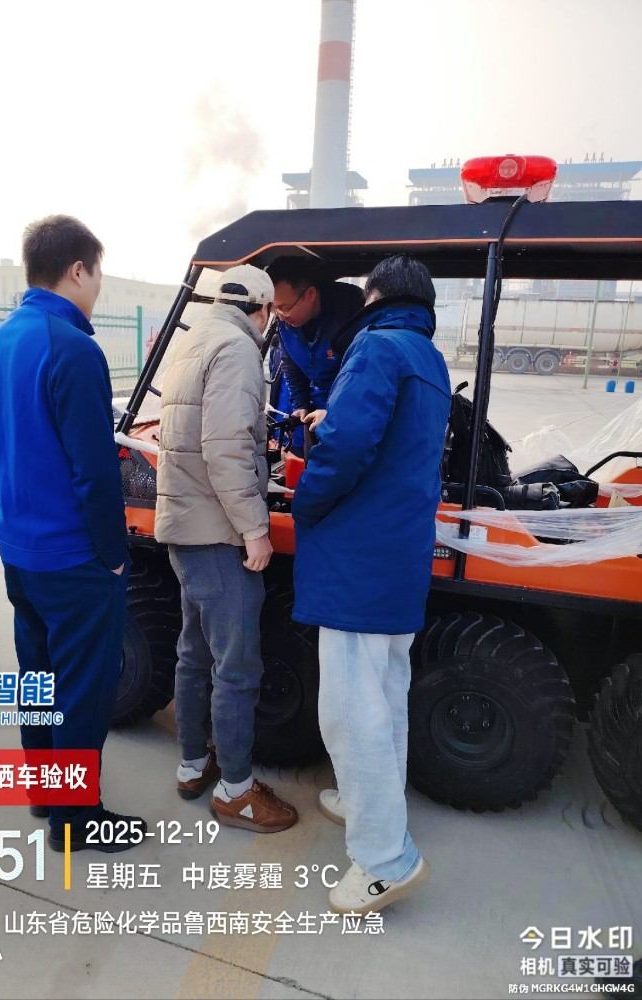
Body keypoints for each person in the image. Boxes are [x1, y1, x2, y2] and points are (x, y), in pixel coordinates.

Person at [0, 215, 143, 853]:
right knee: (82, 687)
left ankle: (45, 792)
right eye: (97, 273)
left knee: (39, 677)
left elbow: (3, 447)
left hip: (20, 549)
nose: (98, 286)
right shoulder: (72, 348)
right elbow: (95, 472)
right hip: (73, 556)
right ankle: (76, 819)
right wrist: (114, 555)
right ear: (78, 269)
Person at [291, 255, 451, 914]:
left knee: (351, 710)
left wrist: (305, 502)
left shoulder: (376, 347)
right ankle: (367, 803)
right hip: (398, 556)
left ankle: (385, 859)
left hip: (358, 559)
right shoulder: (427, 357)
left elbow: (347, 447)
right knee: (384, 696)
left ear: (374, 296)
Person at [155, 264, 298, 834]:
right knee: (236, 668)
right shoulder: (238, 349)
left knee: (194, 655)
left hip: (185, 526)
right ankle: (236, 791)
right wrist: (255, 529)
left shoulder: (192, 341)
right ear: (261, 309)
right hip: (218, 533)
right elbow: (226, 447)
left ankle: (194, 765)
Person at [267, 257, 364, 439]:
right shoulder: (286, 324)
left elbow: (364, 376)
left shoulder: (351, 318)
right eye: (274, 309)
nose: (279, 316)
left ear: (310, 294)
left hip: (354, 413)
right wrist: (301, 404)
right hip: (318, 409)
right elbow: (290, 364)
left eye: (284, 307)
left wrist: (335, 414)